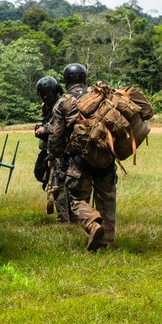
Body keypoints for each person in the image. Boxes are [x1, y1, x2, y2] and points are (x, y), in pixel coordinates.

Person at [46, 62, 115, 251]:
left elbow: (56, 136)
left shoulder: (63, 102)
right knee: (107, 198)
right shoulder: (101, 95)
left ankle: (93, 224)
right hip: (107, 157)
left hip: (80, 160)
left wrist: (55, 155)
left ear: (66, 80)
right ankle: (107, 241)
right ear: (84, 78)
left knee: (76, 198)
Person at [32, 76, 67, 221]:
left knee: (59, 184)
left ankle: (64, 218)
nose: (45, 96)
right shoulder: (46, 106)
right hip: (50, 148)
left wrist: (44, 130)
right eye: (43, 93)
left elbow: (58, 127)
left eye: (48, 93)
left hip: (61, 150)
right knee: (47, 176)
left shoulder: (62, 104)